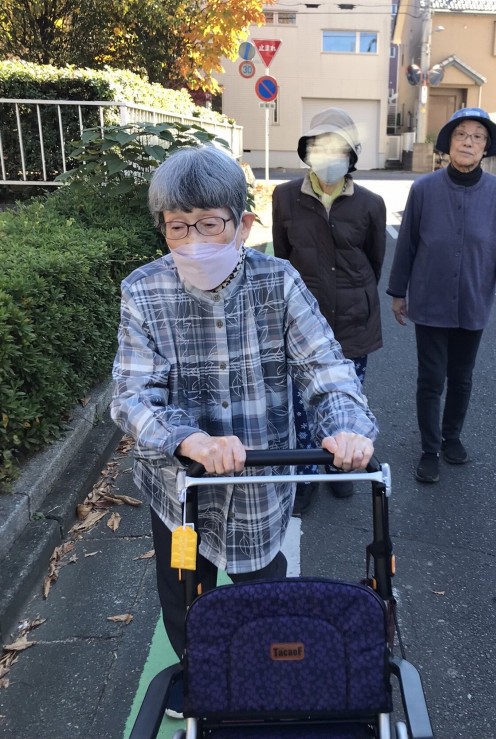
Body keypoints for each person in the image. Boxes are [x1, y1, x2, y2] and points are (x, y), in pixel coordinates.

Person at [110, 145, 377, 680]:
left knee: (265, 597)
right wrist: (189, 440)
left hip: (260, 484)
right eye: (177, 227)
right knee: (184, 595)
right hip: (179, 488)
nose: (193, 240)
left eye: (209, 224)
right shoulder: (144, 290)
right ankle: (197, 678)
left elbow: (325, 366)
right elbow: (132, 394)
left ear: (244, 225)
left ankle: (264, 681)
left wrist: (346, 428)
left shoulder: (278, 282)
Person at [387, 108, 496, 484]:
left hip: (474, 299)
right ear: (448, 143)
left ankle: (452, 437)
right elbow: (407, 244)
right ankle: (430, 449)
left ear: (486, 147)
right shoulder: (424, 189)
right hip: (429, 299)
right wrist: (398, 291)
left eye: (478, 136)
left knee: (462, 376)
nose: (468, 142)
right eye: (461, 134)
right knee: (431, 378)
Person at [272, 108, 386, 512]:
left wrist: (352, 293)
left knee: (346, 397)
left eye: (338, 148)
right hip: (301, 322)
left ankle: (339, 468)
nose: (329, 156)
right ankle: (306, 474)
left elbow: (374, 263)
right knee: (302, 402)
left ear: (351, 156)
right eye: (321, 146)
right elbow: (282, 260)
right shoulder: (285, 197)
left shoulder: (371, 204)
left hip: (354, 319)